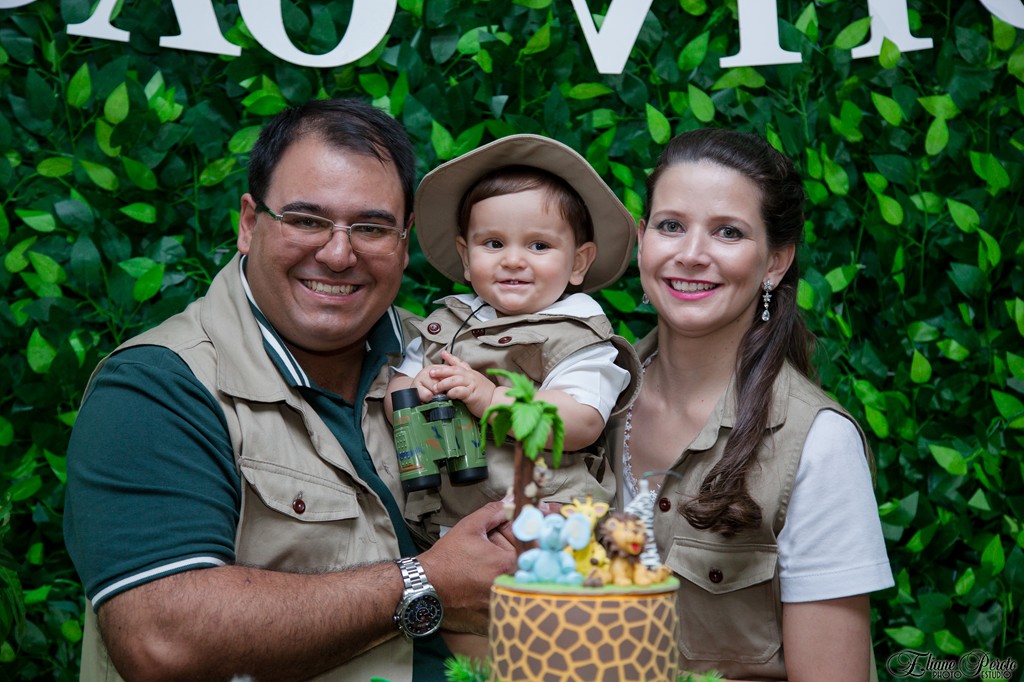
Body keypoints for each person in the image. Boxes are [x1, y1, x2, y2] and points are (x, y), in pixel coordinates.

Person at [63, 98, 517, 682]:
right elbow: (162, 640)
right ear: (249, 223)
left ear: (404, 242)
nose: (338, 254)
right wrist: (424, 585)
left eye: (371, 228)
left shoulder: (450, 359)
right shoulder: (157, 386)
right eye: (306, 220)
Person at [606, 128, 894, 681]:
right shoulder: (586, 402)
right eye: (671, 226)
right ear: (642, 240)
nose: (691, 254)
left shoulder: (817, 444)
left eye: (728, 232)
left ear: (775, 262)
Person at [388, 134, 641, 541]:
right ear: (466, 257)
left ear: (578, 262)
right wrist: (414, 389)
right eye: (493, 243)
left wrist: (493, 401)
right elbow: (397, 389)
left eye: (539, 245)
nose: (512, 260)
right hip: (444, 521)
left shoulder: (578, 336)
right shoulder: (445, 323)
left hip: (545, 521)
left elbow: (579, 422)